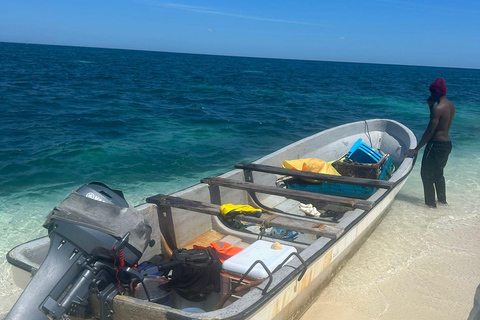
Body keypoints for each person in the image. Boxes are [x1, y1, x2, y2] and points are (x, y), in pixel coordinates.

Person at [405, 78, 455, 207]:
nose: (431, 95)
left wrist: (416, 149)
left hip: (435, 145)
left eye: (432, 92)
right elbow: (440, 124)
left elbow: (429, 131)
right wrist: (431, 107)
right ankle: (443, 202)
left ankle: (431, 206)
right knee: (438, 173)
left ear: (436, 93)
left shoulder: (437, 109)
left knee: (426, 176)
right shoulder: (450, 105)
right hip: (447, 144)